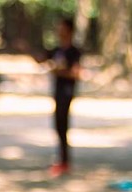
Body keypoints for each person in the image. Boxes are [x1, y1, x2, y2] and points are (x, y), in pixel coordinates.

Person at [35, 18, 81, 177]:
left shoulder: (74, 51)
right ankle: (62, 160)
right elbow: (40, 59)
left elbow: (76, 73)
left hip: (67, 92)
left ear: (69, 30)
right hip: (57, 92)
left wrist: (57, 71)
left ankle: (65, 162)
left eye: (61, 27)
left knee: (63, 124)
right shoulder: (56, 50)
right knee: (58, 125)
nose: (58, 30)